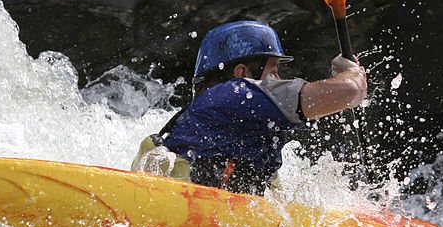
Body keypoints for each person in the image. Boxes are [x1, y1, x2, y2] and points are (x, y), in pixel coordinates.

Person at [131, 20, 367, 195]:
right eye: (273, 69)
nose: (278, 77)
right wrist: (352, 75)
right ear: (242, 73)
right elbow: (349, 91)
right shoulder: (235, 94)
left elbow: (331, 100)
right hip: (190, 216)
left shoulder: (220, 112)